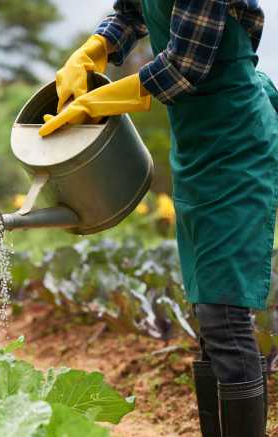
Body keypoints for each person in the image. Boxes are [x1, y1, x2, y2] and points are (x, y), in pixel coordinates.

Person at [42, 1, 278, 436]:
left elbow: (183, 68)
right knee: (209, 316)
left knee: (224, 315)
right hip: (196, 145)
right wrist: (95, 47)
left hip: (236, 142)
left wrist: (100, 101)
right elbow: (130, 11)